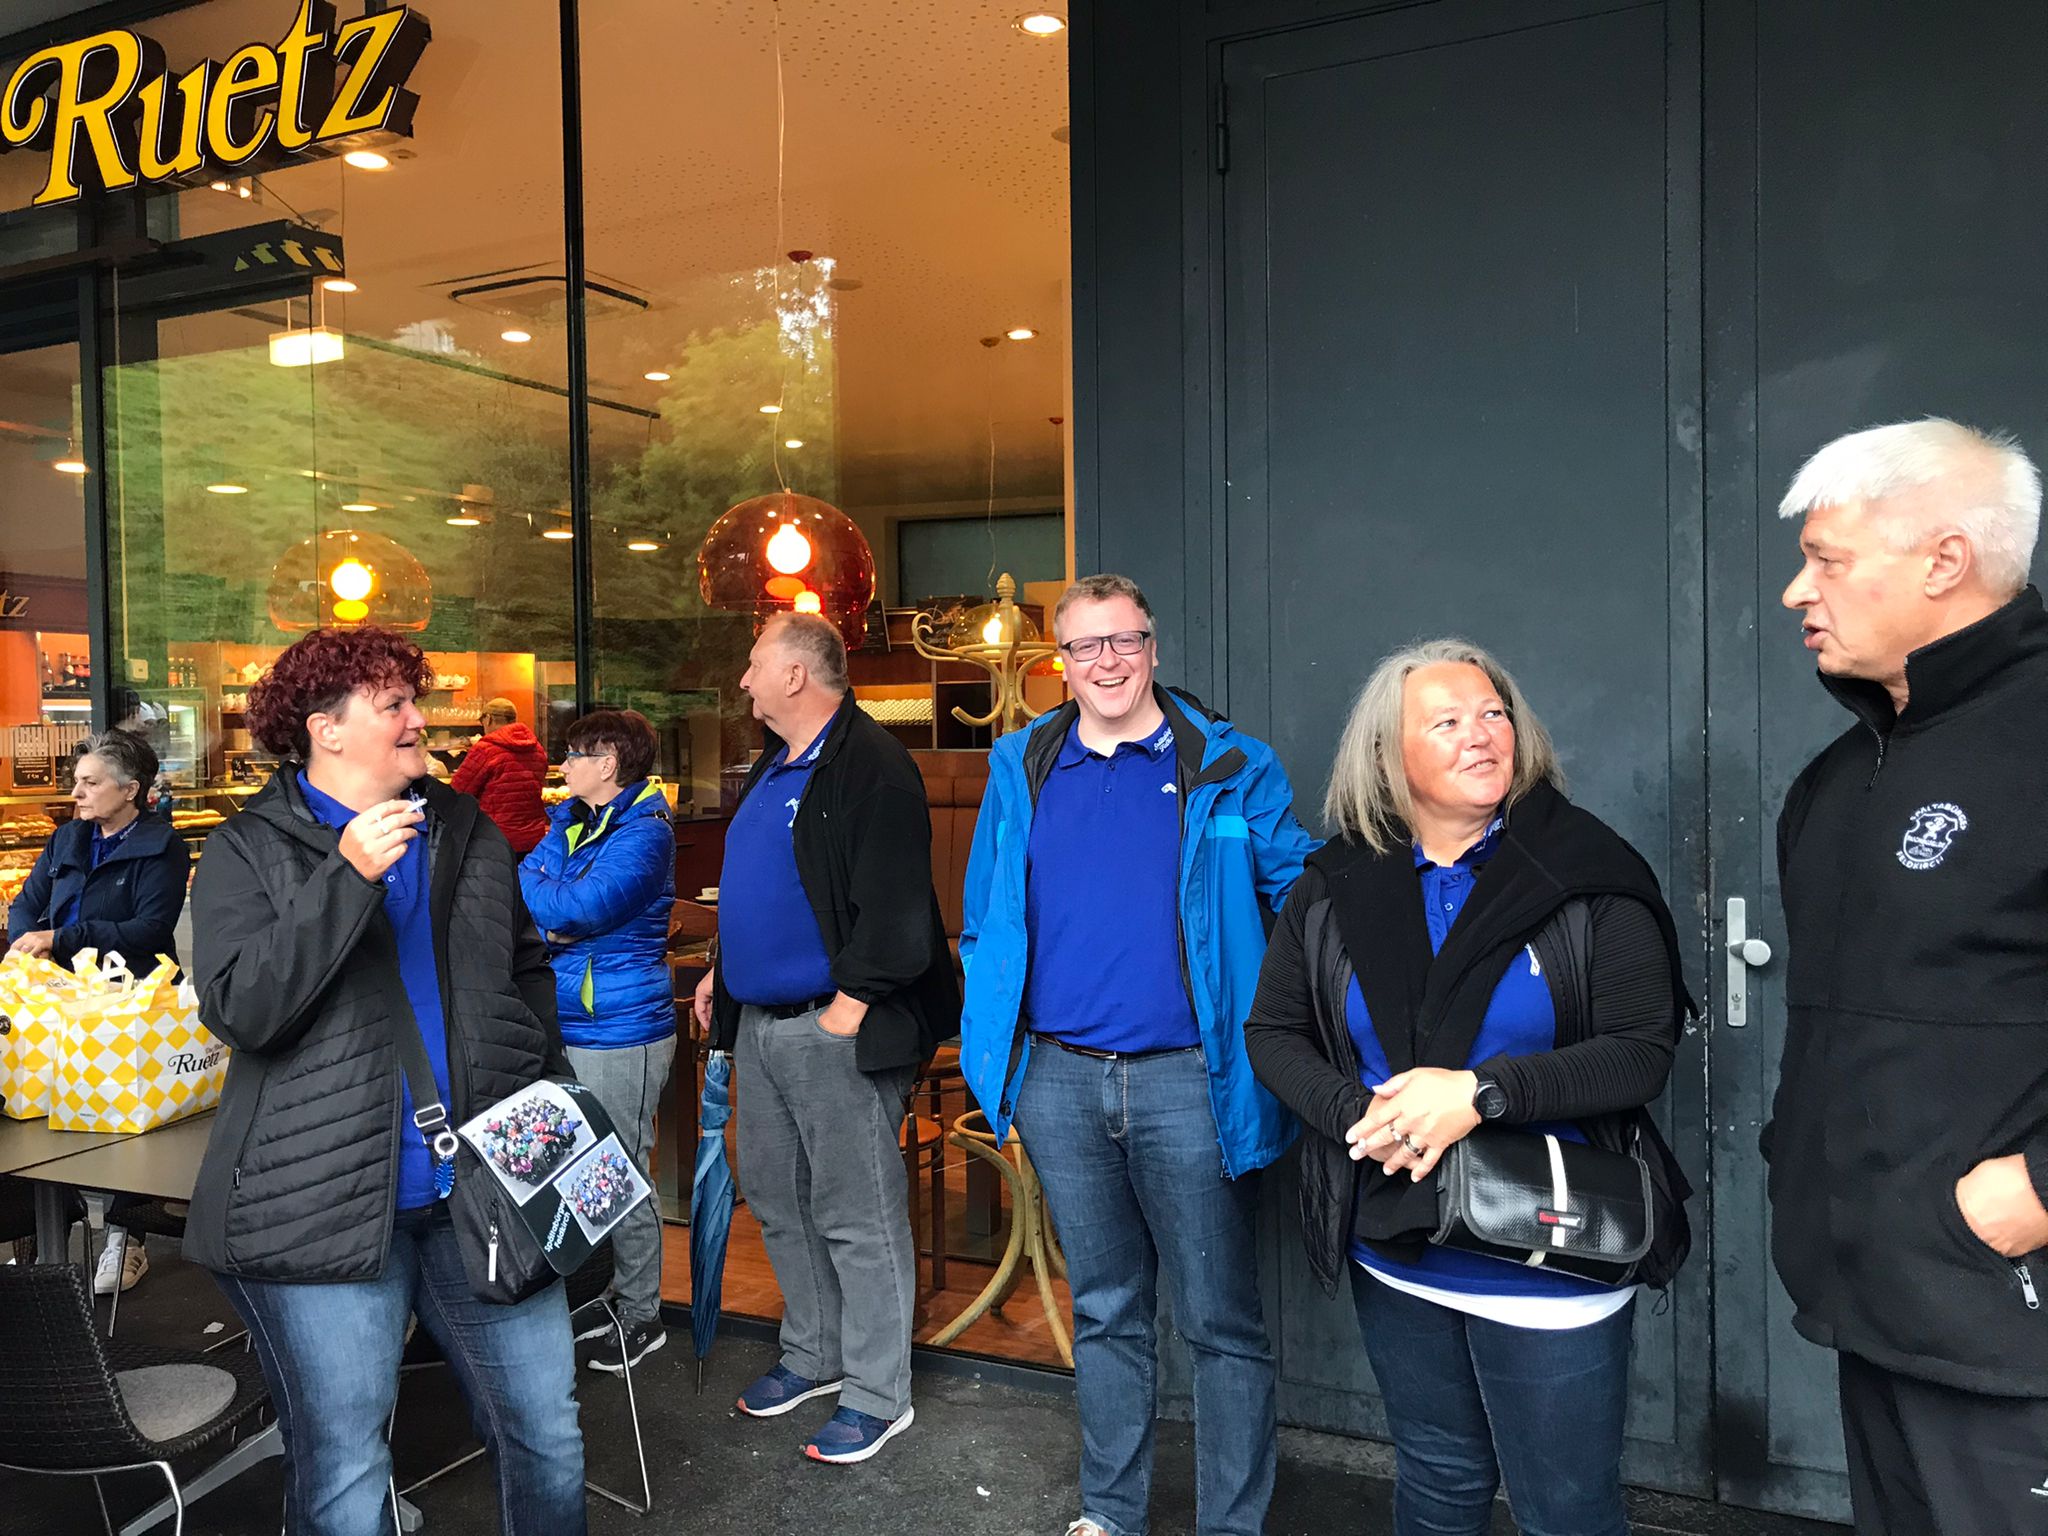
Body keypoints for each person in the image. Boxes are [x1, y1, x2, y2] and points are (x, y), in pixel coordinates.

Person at [1243, 639, 1690, 1536]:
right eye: (1446, 721)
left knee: (1565, 1510)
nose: (1481, 735)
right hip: (1398, 1240)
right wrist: (1360, 1114)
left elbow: (1641, 1052)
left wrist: (1481, 1094)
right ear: (1387, 754)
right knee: (1438, 1480)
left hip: (1553, 1246)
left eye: (1494, 715)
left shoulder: (1588, 873)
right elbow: (1274, 1032)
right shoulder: (1335, 885)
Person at [182, 626, 585, 1536]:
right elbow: (242, 1009)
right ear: (325, 729)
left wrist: (543, 1087)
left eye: (414, 700)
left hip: (484, 1192)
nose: (418, 720)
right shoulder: (246, 849)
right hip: (320, 1208)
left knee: (549, 1435)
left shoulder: (466, 828)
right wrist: (347, 876)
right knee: (345, 1471)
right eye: (394, 704)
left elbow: (523, 969)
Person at [958, 573, 1316, 1536]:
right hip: (1060, 1081)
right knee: (1107, 1310)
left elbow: (1303, 897)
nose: (1106, 661)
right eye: (1085, 646)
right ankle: (1111, 1513)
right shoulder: (1022, 765)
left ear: (1153, 649)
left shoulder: (1230, 764)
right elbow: (986, 914)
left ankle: (1228, 1524)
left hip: (1192, 1083)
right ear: (1060, 663)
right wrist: (1002, 1054)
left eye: (1124, 641)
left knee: (1220, 1323)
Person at [1770, 418, 2048, 1535]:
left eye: (1826, 559)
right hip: (1875, 1301)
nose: (1796, 591)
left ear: (1944, 561)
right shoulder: (1839, 777)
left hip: (2011, 1322)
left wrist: (2037, 1189)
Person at [690, 612, 957, 1465]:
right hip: (761, 1024)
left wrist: (848, 1009)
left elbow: (899, 914)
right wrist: (723, 969)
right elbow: (767, 886)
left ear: (797, 675)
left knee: (855, 1213)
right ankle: (814, 1355)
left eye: (754, 664)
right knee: (777, 1199)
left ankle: (878, 1394)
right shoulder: (777, 764)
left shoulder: (871, 763)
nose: (743, 679)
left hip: (833, 1026)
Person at [519, 707, 676, 1374]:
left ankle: (643, 1316)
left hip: (622, 1028)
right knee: (586, 1169)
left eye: (575, 755)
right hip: (573, 1021)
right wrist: (558, 911)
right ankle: (615, 1294)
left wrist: (560, 911)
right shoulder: (573, 822)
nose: (563, 766)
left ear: (608, 763)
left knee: (622, 1169)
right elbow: (525, 890)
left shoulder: (646, 832)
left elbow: (577, 908)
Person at [8, 728, 191, 1296]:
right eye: (76, 781)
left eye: (90, 783)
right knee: (42, 1114)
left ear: (130, 790)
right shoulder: (67, 838)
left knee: (124, 1125)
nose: (76, 793)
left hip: (130, 1002)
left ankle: (124, 1235)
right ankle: (44, 1237)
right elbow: (25, 904)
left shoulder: (162, 846)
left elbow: (150, 929)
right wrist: (29, 945)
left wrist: (60, 938)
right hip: (60, 999)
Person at [453, 696, 550, 854]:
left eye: (482, 721)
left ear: (488, 719)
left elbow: (458, 792)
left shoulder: (484, 749)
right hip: (534, 839)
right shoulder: (537, 748)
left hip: (496, 840)